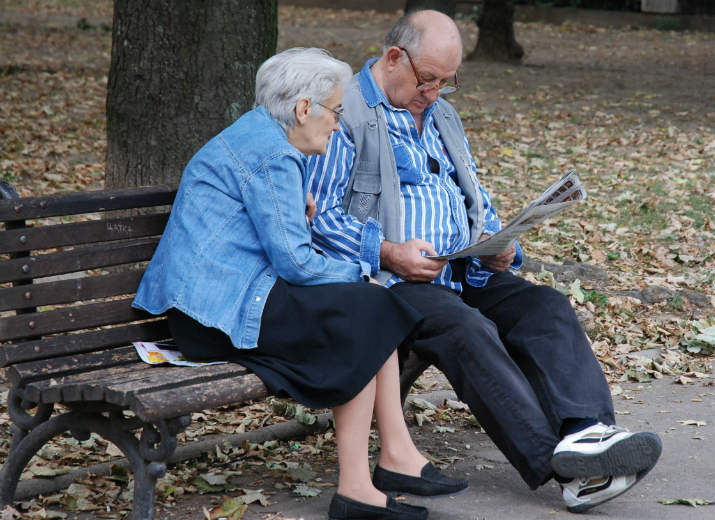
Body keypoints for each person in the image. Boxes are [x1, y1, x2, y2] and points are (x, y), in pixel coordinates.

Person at [306, 10, 663, 514]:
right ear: (393, 59)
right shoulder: (348, 114)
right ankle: (562, 469)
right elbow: (318, 220)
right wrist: (389, 252)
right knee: (466, 329)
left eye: (446, 83)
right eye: (427, 81)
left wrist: (500, 243)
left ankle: (589, 435)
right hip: (391, 283)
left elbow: (472, 194)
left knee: (545, 307)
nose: (434, 94)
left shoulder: (441, 114)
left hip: (462, 269)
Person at [132, 47, 467, 520]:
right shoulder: (273, 153)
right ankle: (359, 488)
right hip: (215, 315)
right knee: (368, 306)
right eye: (334, 110)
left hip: (223, 298)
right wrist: (363, 273)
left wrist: (302, 219)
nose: (337, 123)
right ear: (303, 108)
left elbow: (268, 238)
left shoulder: (262, 136)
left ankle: (393, 457)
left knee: (371, 309)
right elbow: (296, 264)